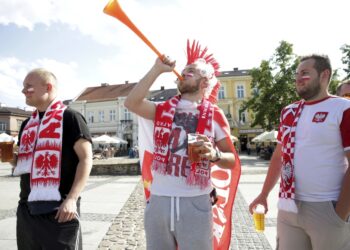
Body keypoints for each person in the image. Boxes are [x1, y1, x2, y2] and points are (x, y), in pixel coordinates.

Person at [125, 40, 239, 250]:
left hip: (195, 201)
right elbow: (131, 103)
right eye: (185, 69)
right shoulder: (161, 109)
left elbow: (231, 161)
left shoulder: (214, 114)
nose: (185, 72)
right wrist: (157, 69)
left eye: (192, 71)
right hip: (158, 201)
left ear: (205, 82)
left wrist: (214, 154)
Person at [249, 54, 350, 250]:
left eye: (305, 73)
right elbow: (279, 156)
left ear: (324, 75)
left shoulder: (343, 108)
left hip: (327, 207)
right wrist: (263, 194)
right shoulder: (289, 111)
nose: (297, 79)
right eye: (296, 74)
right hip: (288, 207)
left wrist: (341, 212)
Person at [10, 68, 92, 250]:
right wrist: (10, 159)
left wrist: (72, 199)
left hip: (60, 210)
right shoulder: (27, 123)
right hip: (27, 208)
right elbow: (25, 164)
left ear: (48, 87)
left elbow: (86, 159)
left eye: (28, 87)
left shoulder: (70, 117)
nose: (23, 91)